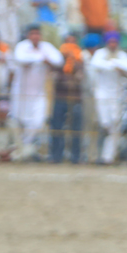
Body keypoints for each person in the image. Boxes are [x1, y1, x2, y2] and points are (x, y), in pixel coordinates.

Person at [11, 23, 63, 158]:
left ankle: (24, 149)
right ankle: (18, 150)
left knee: (37, 123)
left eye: (37, 33)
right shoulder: (22, 46)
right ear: (28, 35)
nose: (35, 36)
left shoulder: (47, 47)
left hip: (39, 93)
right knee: (19, 121)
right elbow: (20, 58)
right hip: (20, 93)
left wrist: (40, 58)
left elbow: (58, 60)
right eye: (32, 34)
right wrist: (41, 58)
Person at [89, 30, 127, 165]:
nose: (113, 44)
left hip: (117, 95)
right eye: (111, 42)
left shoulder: (122, 55)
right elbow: (95, 64)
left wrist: (114, 63)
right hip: (102, 93)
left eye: (115, 42)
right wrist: (114, 65)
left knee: (115, 124)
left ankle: (107, 157)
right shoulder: (100, 53)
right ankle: (97, 153)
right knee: (105, 123)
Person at [50, 32, 85, 164]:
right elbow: (55, 78)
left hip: (75, 99)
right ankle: (56, 156)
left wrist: (74, 67)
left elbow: (80, 79)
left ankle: (75, 156)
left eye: (73, 42)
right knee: (57, 127)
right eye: (68, 42)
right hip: (60, 97)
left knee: (76, 128)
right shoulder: (57, 60)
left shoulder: (80, 60)